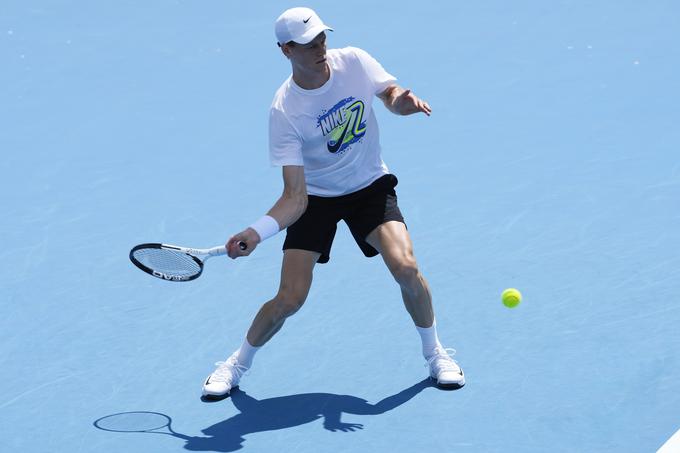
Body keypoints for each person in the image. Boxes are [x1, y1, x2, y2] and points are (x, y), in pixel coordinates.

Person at [202, 7, 464, 400]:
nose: (320, 47)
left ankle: (436, 354)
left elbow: (390, 95)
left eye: (322, 37)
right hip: (317, 199)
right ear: (286, 50)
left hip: (369, 187)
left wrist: (402, 103)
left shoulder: (354, 62)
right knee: (290, 298)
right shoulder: (285, 110)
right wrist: (256, 233)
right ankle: (235, 364)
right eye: (308, 44)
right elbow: (295, 196)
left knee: (407, 267)